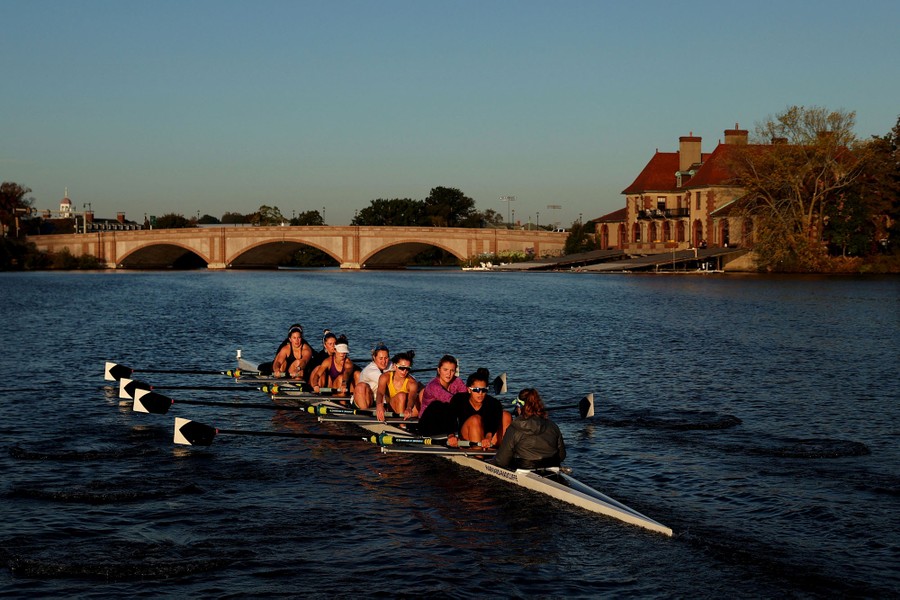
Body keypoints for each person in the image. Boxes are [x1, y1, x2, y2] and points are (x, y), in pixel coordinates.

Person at [493, 388, 566, 469]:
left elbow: (501, 461)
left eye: (517, 406)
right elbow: (562, 456)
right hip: (552, 467)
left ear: (520, 407)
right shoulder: (553, 426)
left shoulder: (514, 428)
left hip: (524, 469)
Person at [447, 368, 511, 449]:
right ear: (469, 390)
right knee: (475, 419)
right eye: (476, 390)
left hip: (488, 439)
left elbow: (493, 424)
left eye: (484, 390)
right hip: (467, 438)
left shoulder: (494, 403)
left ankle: (502, 453)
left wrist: (488, 437)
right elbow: (449, 418)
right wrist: (451, 435)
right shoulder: (458, 399)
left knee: (506, 415)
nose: (480, 393)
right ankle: (478, 456)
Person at [417, 355, 467, 436]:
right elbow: (452, 400)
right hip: (428, 422)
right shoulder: (434, 386)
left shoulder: (457, 381)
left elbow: (466, 399)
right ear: (439, 370)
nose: (449, 374)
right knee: (440, 405)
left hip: (447, 421)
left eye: (452, 370)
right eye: (445, 370)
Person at [374, 351, 419, 421]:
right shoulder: (385, 377)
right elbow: (380, 393)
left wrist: (409, 408)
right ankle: (402, 425)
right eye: (401, 368)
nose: (404, 371)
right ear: (395, 366)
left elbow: (412, 397)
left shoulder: (412, 382)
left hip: (408, 409)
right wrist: (379, 405)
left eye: (408, 369)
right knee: (401, 396)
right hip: (392, 407)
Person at [354, 343, 392, 410]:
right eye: (380, 358)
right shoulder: (370, 370)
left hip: (381, 401)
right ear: (374, 358)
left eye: (386, 358)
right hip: (366, 400)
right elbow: (387, 382)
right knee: (361, 386)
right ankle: (365, 415)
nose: (383, 361)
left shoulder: (390, 364)